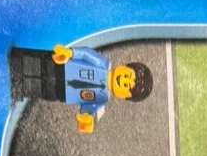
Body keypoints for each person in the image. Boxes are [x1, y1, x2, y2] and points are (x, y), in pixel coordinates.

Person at [8, 45, 153, 132]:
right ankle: (18, 62)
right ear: (124, 66)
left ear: (124, 97)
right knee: (39, 64)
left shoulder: (100, 100)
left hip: (60, 92)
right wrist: (70, 53)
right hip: (61, 66)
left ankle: (20, 88)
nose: (123, 80)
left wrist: (87, 120)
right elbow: (85, 54)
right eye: (127, 75)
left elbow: (88, 110)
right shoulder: (102, 64)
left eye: (127, 86)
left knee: (40, 88)